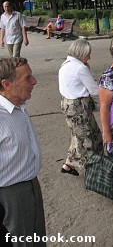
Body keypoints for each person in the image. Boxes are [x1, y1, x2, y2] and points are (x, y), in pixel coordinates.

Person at [0, 57, 46, 246]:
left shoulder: (18, 107)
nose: (34, 81)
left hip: (30, 185)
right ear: (6, 84)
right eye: (27, 78)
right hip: (11, 195)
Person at [58, 39, 102, 176]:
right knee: (90, 137)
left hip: (67, 104)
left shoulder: (65, 64)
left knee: (77, 135)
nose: (90, 57)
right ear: (81, 53)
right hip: (79, 107)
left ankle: (69, 163)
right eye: (88, 53)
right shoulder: (80, 68)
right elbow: (94, 91)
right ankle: (94, 170)